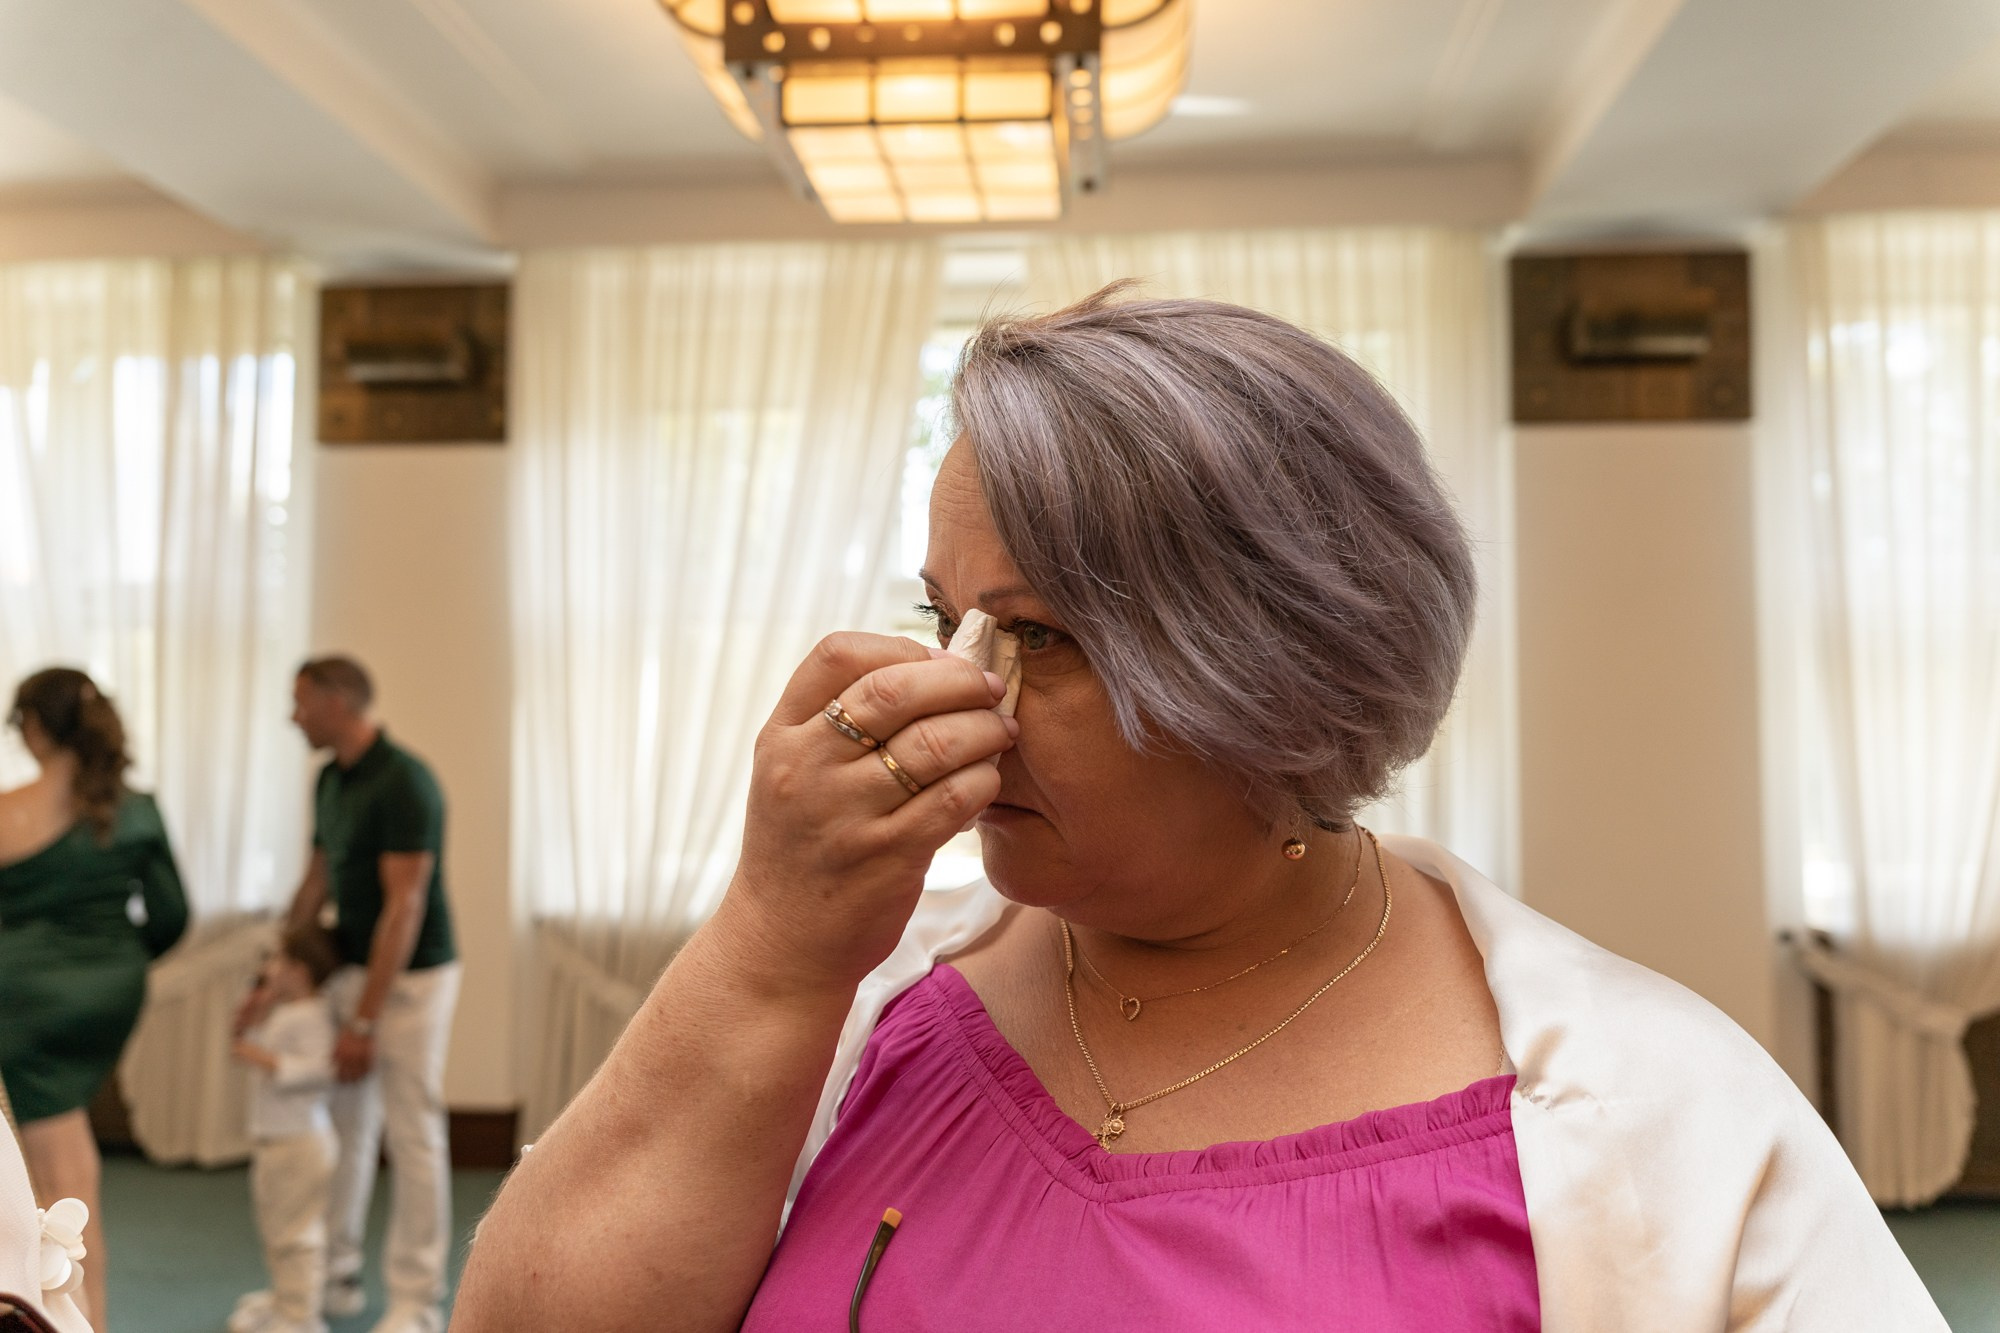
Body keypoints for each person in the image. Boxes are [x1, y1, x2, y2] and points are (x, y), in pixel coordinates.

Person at [455, 289, 1946, 1331]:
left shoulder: (1651, 1105)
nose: (954, 696)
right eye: (941, 619)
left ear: (1273, 673)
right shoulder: (879, 996)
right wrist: (769, 945)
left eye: (1036, 636)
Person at [258, 657, 458, 1333]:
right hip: (353, 966)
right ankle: (335, 1274)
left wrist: (366, 1021)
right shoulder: (329, 781)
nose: (293, 716)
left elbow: (404, 909)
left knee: (412, 1129)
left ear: (339, 702)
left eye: (300, 702)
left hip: (414, 977)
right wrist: (273, 974)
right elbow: (315, 883)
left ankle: (416, 1300)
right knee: (344, 1121)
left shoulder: (406, 781)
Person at [0, 668, 187, 1332]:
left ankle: (83, 1321)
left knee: (60, 1190)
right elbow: (172, 914)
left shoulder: (9, 809)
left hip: (21, 1003)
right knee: (65, 1166)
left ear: (36, 726)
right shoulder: (136, 808)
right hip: (105, 996)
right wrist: (113, 960)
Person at [228, 923, 345, 1333]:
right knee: (277, 1228)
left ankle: (301, 1317)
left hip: (300, 1141)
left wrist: (263, 1058)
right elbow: (250, 1042)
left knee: (297, 1233)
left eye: (277, 959)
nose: (269, 967)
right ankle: (284, 1298)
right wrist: (256, 1013)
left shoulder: (313, 1015)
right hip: (277, 1139)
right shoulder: (288, 1011)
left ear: (300, 969)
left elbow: (320, 1068)